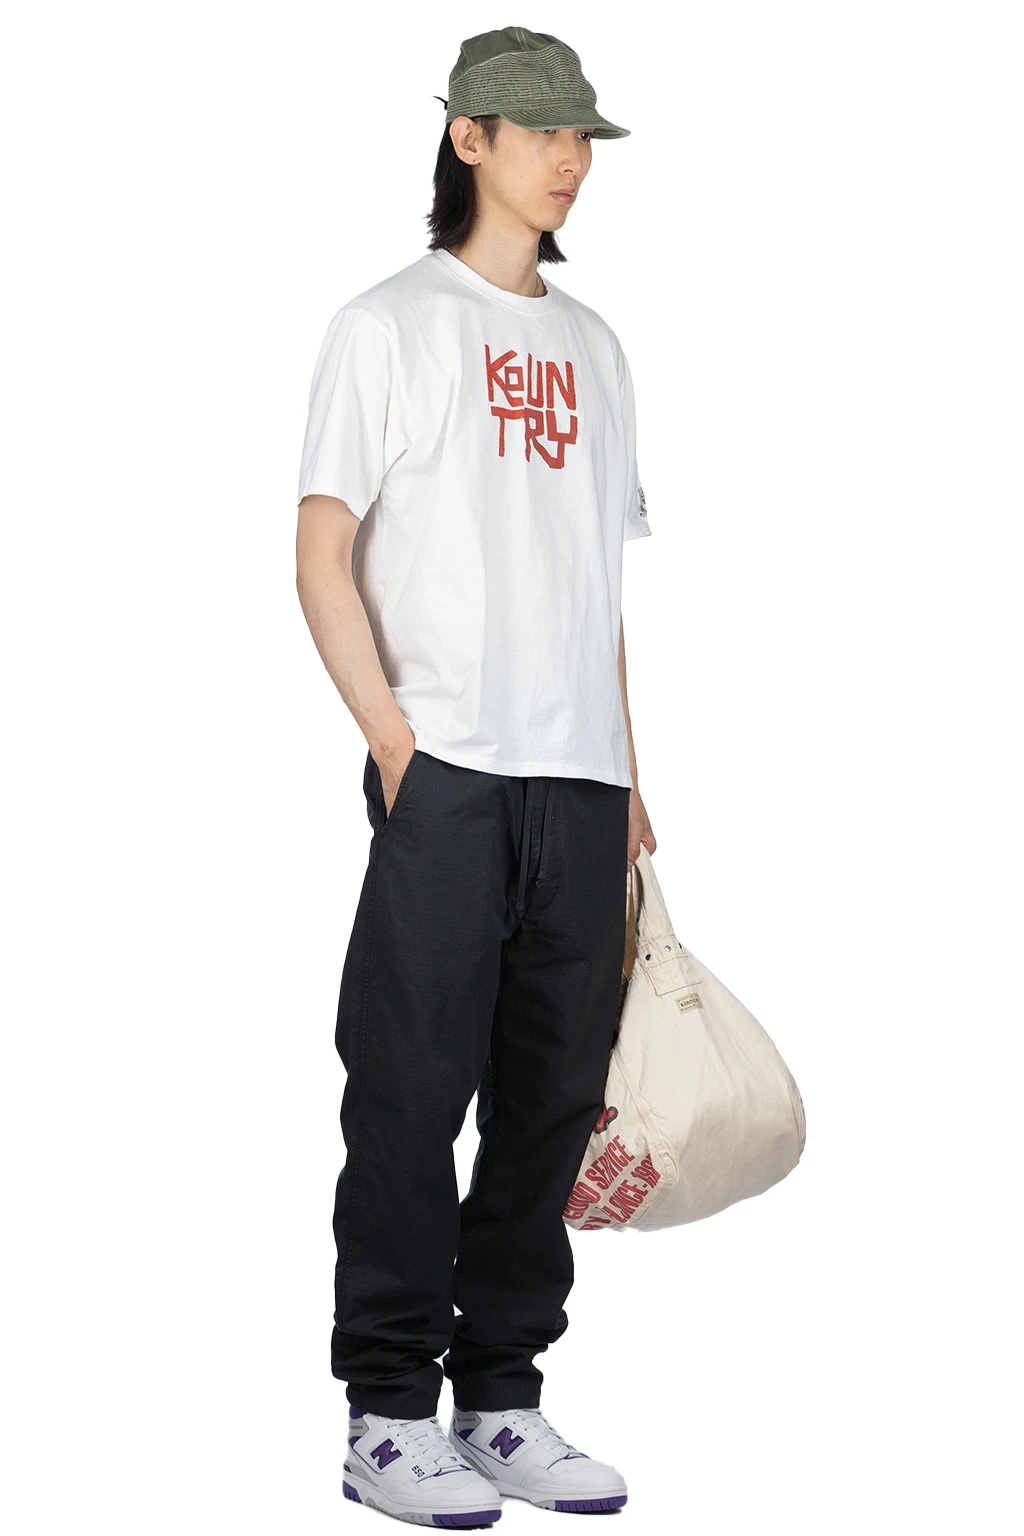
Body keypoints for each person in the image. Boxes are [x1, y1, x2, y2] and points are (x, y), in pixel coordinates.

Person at [294, 26, 656, 1527]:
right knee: (407, 1089)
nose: (570, 158)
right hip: (447, 768)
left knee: (551, 1100)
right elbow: (322, 553)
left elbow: (597, 588)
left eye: (582, 135)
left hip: (579, 780)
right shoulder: (389, 324)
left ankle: (500, 1395)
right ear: (469, 140)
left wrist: (630, 775)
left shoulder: (599, 347)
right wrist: (396, 745)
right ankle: (389, 1414)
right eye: (541, 131)